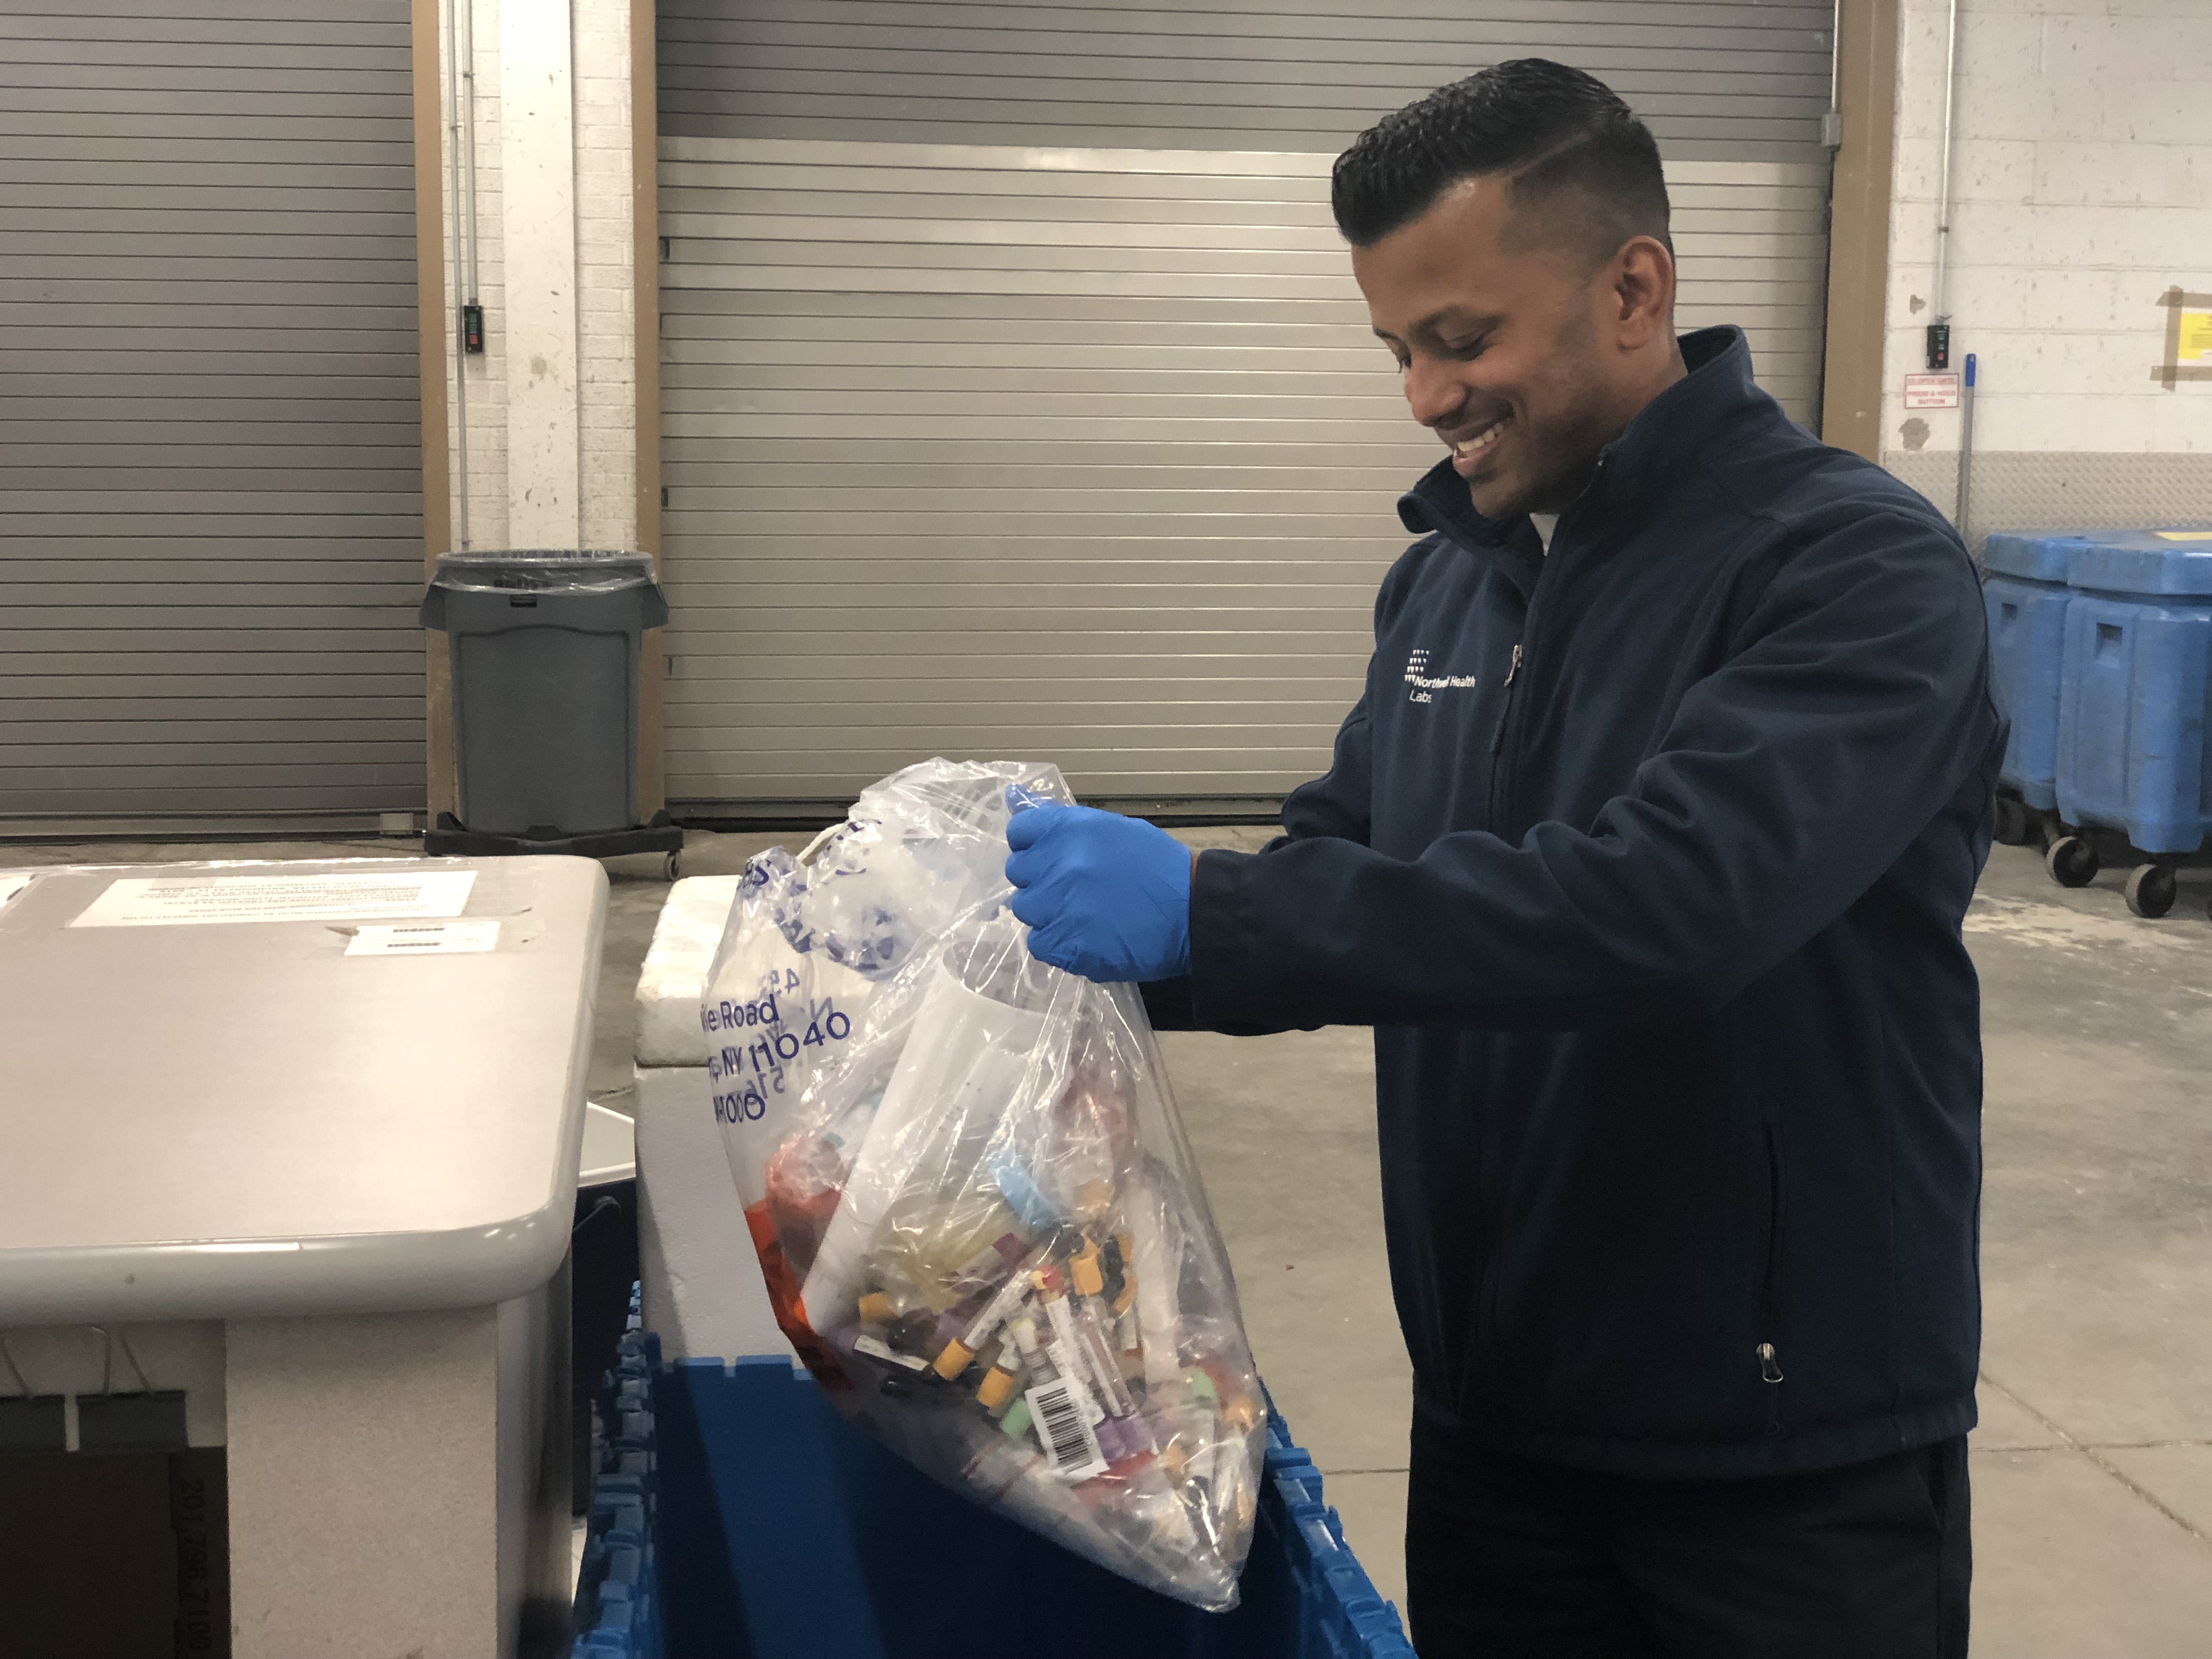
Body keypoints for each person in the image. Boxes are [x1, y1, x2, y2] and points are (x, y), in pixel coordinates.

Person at [1002, 59, 2000, 1659]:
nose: (1424, 395)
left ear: (1634, 289)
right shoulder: (1452, 583)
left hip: (1778, 1448)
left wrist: (1204, 914)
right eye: (1398, 350)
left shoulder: (1850, 569)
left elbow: (1669, 907)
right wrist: (1047, 956)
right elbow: (1354, 860)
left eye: (1462, 341)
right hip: (1497, 1411)